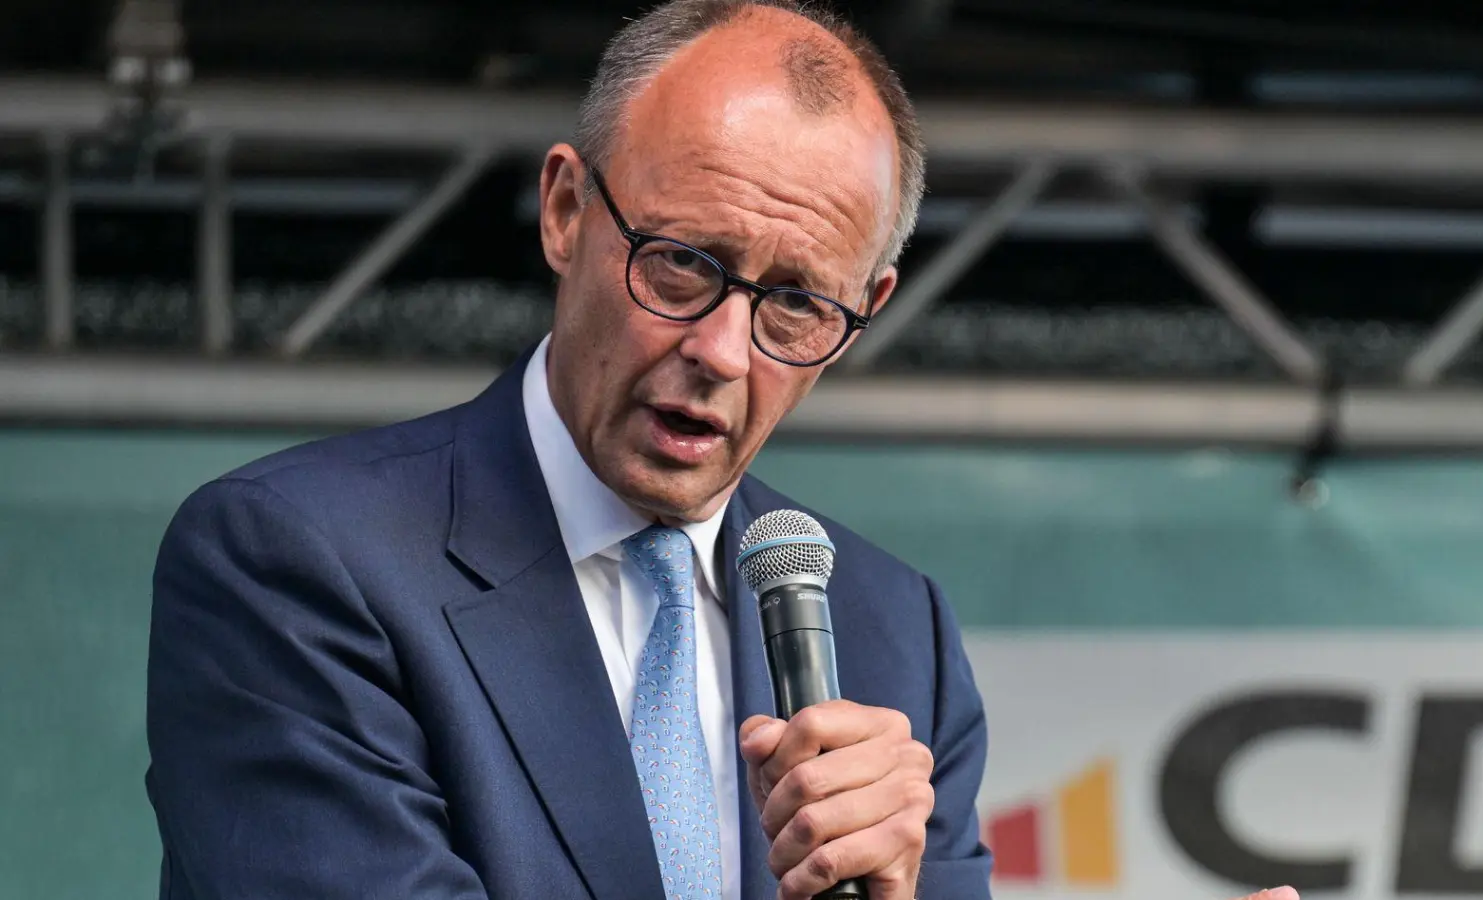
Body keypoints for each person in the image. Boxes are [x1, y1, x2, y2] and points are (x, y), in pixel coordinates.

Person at [144, 2, 1299, 900]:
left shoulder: (897, 637)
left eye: (798, 304)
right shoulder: (298, 562)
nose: (724, 351)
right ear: (564, 211)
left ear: (870, 306)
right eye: (684, 263)